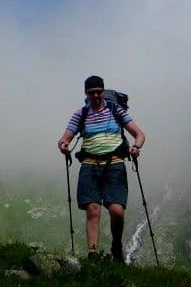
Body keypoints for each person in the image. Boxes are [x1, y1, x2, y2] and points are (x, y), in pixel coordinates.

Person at [57, 75, 146, 261]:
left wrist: (136, 147)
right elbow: (65, 138)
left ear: (103, 91)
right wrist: (64, 144)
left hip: (115, 164)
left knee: (116, 211)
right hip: (89, 165)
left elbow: (139, 134)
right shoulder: (81, 114)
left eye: (99, 92)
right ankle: (93, 255)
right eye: (92, 93)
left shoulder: (115, 110)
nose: (96, 96)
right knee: (93, 209)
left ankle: (116, 245)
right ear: (86, 93)